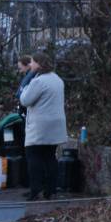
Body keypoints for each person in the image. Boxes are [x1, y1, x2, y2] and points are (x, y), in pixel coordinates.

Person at [19, 51, 67, 201]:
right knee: (50, 157)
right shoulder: (57, 79)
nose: (30, 64)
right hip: (56, 124)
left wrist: (24, 88)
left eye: (32, 62)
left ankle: (35, 190)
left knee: (33, 157)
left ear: (39, 64)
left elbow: (25, 100)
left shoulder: (38, 81)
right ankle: (50, 190)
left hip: (40, 126)